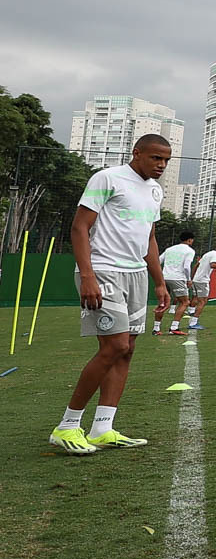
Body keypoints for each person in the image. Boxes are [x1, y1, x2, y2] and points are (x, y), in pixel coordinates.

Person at [50, 134, 171, 455]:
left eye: (166, 160)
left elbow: (150, 238)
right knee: (114, 345)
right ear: (137, 153)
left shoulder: (156, 190)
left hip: (135, 275)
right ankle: (67, 426)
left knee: (127, 348)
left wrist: (159, 282)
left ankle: (103, 427)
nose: (161, 165)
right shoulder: (107, 178)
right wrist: (87, 275)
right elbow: (79, 227)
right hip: (103, 270)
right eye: (156, 158)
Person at [154, 230, 196, 336]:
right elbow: (186, 267)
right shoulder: (189, 251)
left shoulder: (169, 249)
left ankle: (156, 329)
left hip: (164, 277)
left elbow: (158, 261)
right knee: (185, 302)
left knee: (162, 302)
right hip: (177, 278)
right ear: (190, 240)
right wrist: (188, 279)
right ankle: (174, 327)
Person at [187, 241, 216, 329]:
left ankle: (191, 314)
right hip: (202, 281)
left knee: (196, 298)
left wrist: (192, 278)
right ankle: (193, 323)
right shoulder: (214, 255)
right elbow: (213, 265)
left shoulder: (208, 254)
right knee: (203, 301)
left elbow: (196, 265)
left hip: (197, 280)